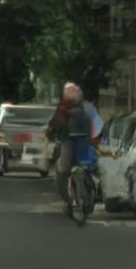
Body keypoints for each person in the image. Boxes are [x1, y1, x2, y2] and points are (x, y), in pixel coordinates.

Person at [46, 82, 103, 210]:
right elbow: (53, 125)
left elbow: (53, 126)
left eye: (72, 93)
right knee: (73, 166)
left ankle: (73, 196)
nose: (70, 96)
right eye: (69, 94)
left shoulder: (71, 110)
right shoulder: (85, 108)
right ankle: (77, 195)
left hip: (74, 143)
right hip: (83, 144)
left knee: (64, 166)